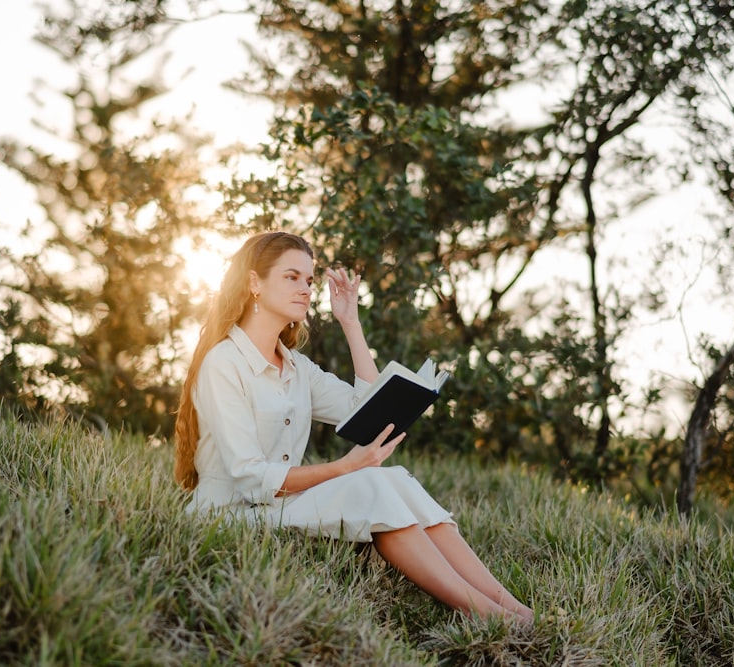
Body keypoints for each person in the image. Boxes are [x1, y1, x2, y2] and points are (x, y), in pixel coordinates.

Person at [174, 231, 532, 622]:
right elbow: (250, 478)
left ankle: (513, 608)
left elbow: (364, 409)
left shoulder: (296, 367)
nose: (305, 289)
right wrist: (347, 467)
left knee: (395, 479)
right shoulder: (224, 363)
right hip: (231, 519)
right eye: (291, 277)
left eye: (309, 281)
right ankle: (486, 614)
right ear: (254, 283)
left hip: (278, 507)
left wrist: (350, 322)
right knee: (369, 482)